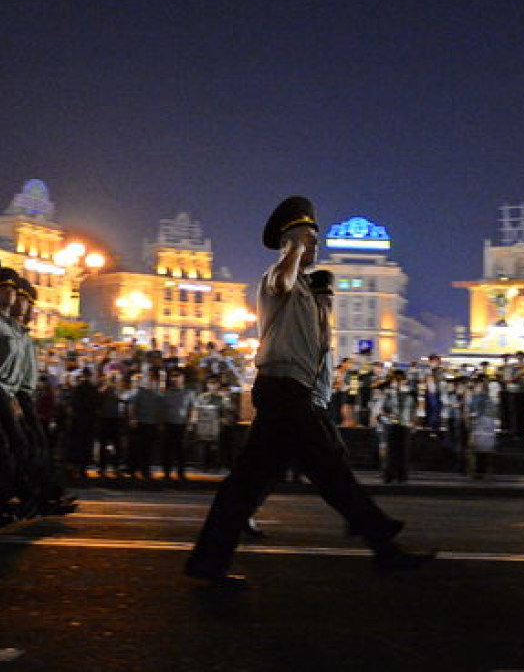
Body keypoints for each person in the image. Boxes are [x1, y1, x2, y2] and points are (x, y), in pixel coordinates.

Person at [185, 197, 432, 583]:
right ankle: (379, 536)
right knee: (328, 469)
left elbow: (318, 354)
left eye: (315, 241)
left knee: (254, 483)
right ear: (291, 243)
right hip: (281, 388)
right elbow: (283, 280)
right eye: (308, 239)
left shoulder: (309, 296)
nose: (315, 247)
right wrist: (294, 249)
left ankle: (208, 562)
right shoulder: (276, 279)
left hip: (295, 393)